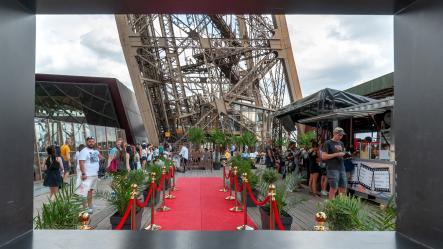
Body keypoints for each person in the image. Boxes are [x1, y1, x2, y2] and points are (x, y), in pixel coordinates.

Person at [321, 127, 348, 199]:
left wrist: (345, 155)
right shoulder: (328, 143)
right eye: (339, 135)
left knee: (343, 188)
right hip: (332, 168)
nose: (340, 137)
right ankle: (332, 208)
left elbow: (341, 154)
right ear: (334, 134)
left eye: (342, 135)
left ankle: (342, 206)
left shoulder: (341, 143)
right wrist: (337, 154)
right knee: (334, 188)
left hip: (342, 168)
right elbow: (323, 156)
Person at [77, 136, 100, 213]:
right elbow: (81, 163)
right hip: (88, 175)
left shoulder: (94, 151)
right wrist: (83, 173)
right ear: (86, 142)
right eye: (89, 141)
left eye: (93, 141)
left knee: (90, 191)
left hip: (94, 174)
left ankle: (90, 205)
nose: (91, 143)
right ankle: (85, 207)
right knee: (84, 192)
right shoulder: (84, 151)